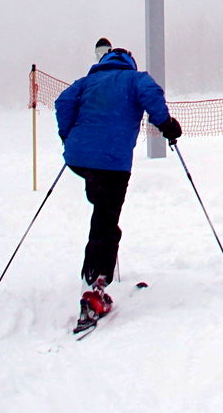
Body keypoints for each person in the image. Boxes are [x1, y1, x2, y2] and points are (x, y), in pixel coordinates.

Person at [54, 37, 182, 324]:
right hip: (111, 163)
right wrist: (167, 125)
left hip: (79, 159)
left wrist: (69, 135)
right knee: (106, 217)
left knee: (101, 208)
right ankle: (97, 283)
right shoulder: (136, 79)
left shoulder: (88, 81)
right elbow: (153, 97)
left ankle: (93, 272)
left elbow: (62, 102)